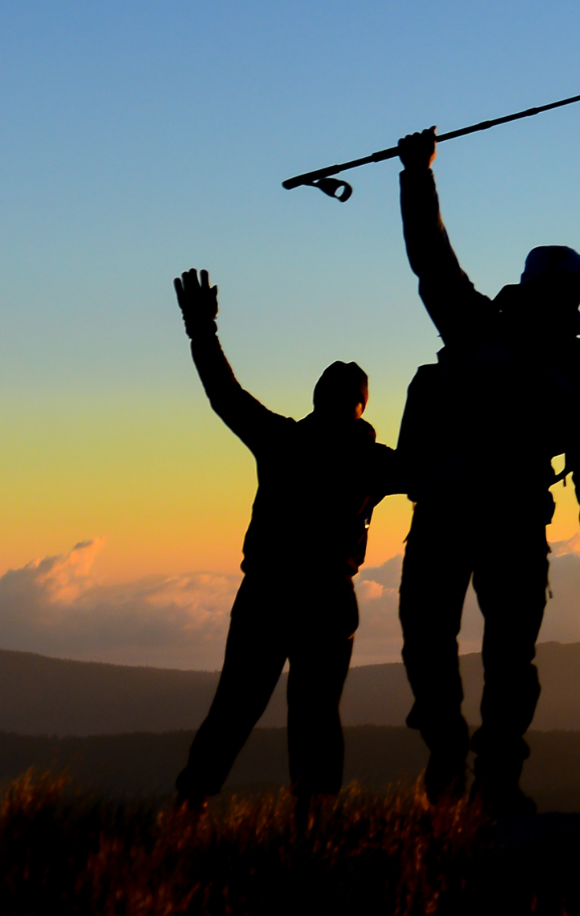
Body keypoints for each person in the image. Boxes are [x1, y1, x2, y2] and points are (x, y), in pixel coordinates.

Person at [392, 128, 580, 811]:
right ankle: (451, 759)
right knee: (435, 644)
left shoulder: (574, 362)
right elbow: (431, 258)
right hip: (459, 512)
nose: (555, 294)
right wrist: (418, 176)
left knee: (500, 654)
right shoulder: (477, 325)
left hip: (503, 518)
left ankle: (490, 776)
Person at [167, 270, 402, 811]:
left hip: (267, 593)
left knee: (235, 706)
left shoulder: (282, 440)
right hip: (326, 598)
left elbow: (225, 394)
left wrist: (202, 331)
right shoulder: (373, 461)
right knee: (314, 715)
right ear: (362, 405)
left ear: (318, 398)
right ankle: (313, 821)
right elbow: (442, 473)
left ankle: (191, 806)